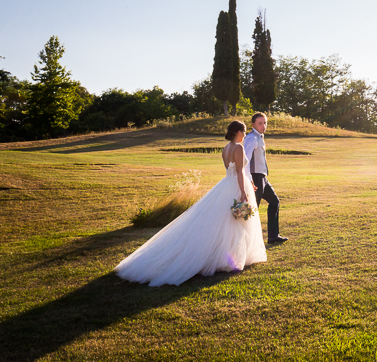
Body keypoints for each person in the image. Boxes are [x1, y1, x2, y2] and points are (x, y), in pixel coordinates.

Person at [116, 120, 267, 286]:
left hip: (225, 185)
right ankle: (229, 257)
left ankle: (231, 255)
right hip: (236, 186)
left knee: (228, 222)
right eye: (244, 132)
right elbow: (239, 172)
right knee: (236, 222)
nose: (245, 135)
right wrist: (244, 192)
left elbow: (229, 169)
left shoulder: (226, 148)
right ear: (238, 132)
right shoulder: (237, 147)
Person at [243, 112, 287, 243]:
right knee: (252, 209)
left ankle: (273, 236)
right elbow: (245, 161)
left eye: (265, 123)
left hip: (262, 177)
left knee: (274, 202)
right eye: (260, 123)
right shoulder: (251, 138)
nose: (264, 126)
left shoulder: (260, 137)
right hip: (255, 177)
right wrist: (250, 180)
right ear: (253, 125)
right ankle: (244, 240)